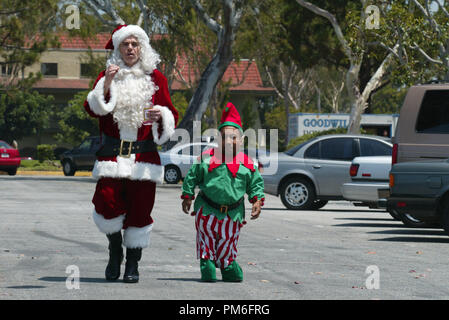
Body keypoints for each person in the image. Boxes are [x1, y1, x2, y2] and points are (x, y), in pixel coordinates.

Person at [83, 24, 178, 283]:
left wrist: (163, 116)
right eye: (125, 44)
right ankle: (115, 252)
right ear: (117, 48)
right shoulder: (106, 75)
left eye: (135, 44)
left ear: (142, 48)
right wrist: (108, 83)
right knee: (106, 203)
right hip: (112, 157)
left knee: (140, 210)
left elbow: (172, 115)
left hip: (144, 159)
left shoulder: (157, 79)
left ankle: (132, 264)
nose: (130, 48)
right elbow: (93, 109)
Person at [181, 102, 264, 282]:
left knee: (228, 241)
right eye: (224, 137)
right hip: (207, 211)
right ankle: (207, 264)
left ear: (241, 141)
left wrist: (256, 200)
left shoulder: (247, 164)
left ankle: (227, 264)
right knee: (206, 240)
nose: (228, 141)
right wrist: (187, 196)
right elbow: (191, 177)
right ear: (218, 139)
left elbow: (255, 184)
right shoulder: (205, 159)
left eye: (233, 138)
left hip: (233, 214)